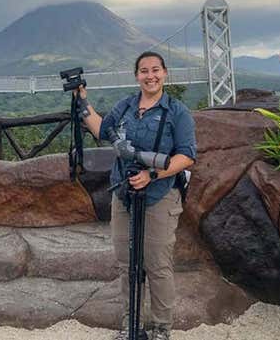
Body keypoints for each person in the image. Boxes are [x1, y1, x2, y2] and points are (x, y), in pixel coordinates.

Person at [77, 51, 196, 340]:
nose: (150, 76)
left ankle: (160, 329)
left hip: (160, 194)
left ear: (165, 73)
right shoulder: (126, 106)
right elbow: (103, 130)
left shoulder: (177, 112)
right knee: (127, 263)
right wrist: (82, 102)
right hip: (124, 193)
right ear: (136, 76)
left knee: (157, 264)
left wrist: (152, 174)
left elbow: (187, 156)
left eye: (156, 70)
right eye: (144, 71)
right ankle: (131, 325)